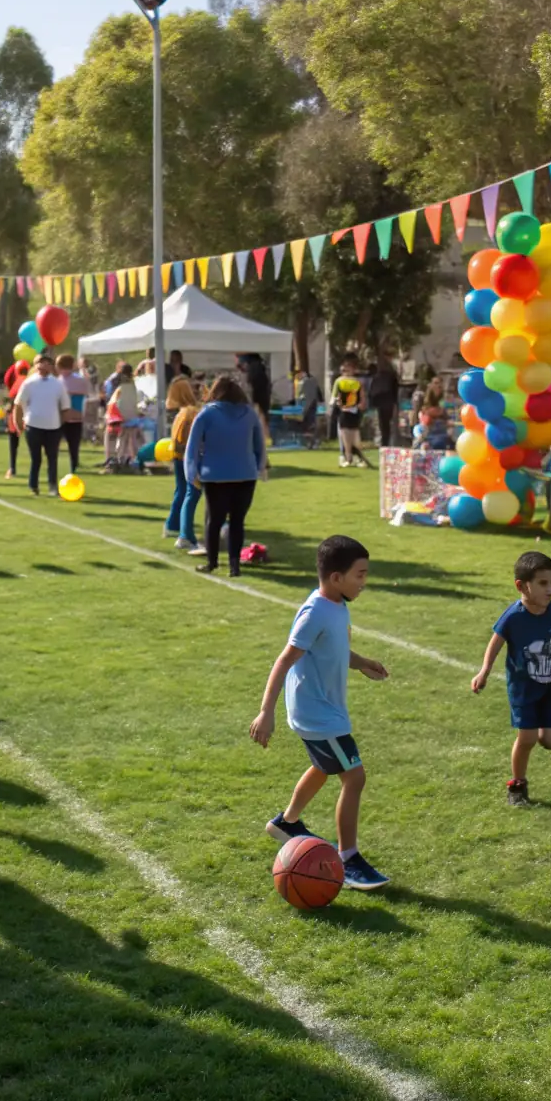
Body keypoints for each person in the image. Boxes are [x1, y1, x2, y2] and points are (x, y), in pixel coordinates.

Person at [248, 534, 390, 890]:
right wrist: (266, 712)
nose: (364, 581)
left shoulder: (337, 604)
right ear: (336, 577)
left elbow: (336, 650)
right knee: (354, 777)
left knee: (325, 765)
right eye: (359, 574)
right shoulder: (316, 612)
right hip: (318, 714)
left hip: (320, 711)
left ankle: (287, 822)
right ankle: (349, 859)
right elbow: (284, 661)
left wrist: (362, 663)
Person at [471, 551, 551, 806]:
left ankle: (540, 732)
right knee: (528, 739)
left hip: (550, 687)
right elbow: (495, 644)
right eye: (543, 583)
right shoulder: (513, 616)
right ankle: (517, 785)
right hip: (523, 689)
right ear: (522, 586)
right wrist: (484, 672)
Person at [183, 375, 264, 577]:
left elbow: (191, 448)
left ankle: (212, 563)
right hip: (245, 475)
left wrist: (190, 473)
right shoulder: (249, 413)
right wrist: (259, 467)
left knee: (214, 521)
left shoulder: (206, 414)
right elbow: (260, 445)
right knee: (237, 521)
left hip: (215, 475)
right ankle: (235, 566)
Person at [14, 354, 70, 496]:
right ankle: (33, 486)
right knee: (36, 458)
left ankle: (53, 486)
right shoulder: (29, 383)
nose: (43, 366)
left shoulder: (58, 384)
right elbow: (18, 404)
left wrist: (62, 426)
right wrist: (19, 424)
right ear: (35, 366)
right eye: (40, 363)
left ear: (51, 367)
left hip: (53, 427)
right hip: (33, 426)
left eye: (46, 363)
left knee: (52, 458)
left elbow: (65, 407)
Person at [163, 377, 202, 551]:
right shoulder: (189, 412)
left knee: (182, 491)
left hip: (179, 456)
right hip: (187, 457)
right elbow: (185, 439)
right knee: (192, 493)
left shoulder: (182, 412)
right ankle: (185, 535)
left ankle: (173, 525)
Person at [331, 358, 370, 469]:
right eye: (344, 370)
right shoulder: (339, 381)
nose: (346, 373)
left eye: (348, 370)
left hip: (354, 412)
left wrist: (360, 405)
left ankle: (357, 458)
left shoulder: (357, 382)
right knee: (345, 436)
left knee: (355, 436)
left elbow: (362, 397)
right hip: (344, 412)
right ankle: (347, 458)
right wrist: (338, 403)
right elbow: (335, 396)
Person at [56, 352, 89, 473]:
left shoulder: (58, 381)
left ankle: (56, 465)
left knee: (55, 443)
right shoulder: (81, 380)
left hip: (61, 417)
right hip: (77, 416)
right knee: (74, 445)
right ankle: (73, 466)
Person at [103, 363, 141, 467]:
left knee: (110, 434)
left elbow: (112, 403)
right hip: (132, 418)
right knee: (127, 437)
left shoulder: (118, 386)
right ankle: (126, 458)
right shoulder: (134, 387)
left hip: (120, 419)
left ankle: (110, 458)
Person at [3, 360, 29, 477]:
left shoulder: (17, 383)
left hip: (16, 417)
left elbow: (11, 402)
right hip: (30, 415)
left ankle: (12, 468)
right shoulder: (29, 381)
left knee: (13, 444)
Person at [369, 351, 400, 448]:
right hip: (388, 402)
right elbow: (395, 389)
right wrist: (395, 402)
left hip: (380, 402)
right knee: (387, 424)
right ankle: (386, 442)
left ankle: (382, 442)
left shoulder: (377, 376)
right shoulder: (391, 375)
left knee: (381, 424)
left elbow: (372, 390)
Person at [294, 370, 321, 446]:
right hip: (313, 405)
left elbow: (299, 396)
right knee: (311, 424)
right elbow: (318, 394)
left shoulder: (302, 383)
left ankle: (308, 442)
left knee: (306, 424)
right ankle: (312, 441)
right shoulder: (314, 381)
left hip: (306, 406)